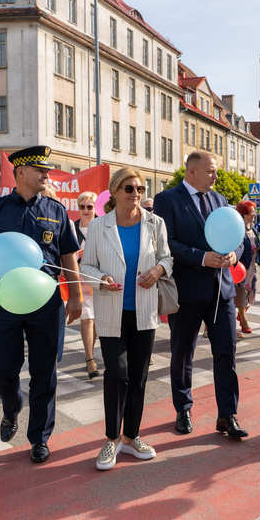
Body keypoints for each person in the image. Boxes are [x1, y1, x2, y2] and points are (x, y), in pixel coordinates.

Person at [0, 146, 82, 464]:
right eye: (40, 169)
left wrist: (77, 296)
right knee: (2, 368)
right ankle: (11, 408)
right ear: (20, 173)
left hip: (47, 300)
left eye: (47, 170)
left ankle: (40, 438)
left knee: (45, 372)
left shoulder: (56, 210)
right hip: (6, 299)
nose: (46, 174)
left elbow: (68, 255)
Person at [81, 167, 172, 470]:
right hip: (111, 310)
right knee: (117, 374)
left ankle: (131, 437)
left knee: (139, 376)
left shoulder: (154, 223)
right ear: (116, 191)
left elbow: (167, 257)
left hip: (144, 312)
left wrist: (159, 270)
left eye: (141, 190)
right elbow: (87, 266)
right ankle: (111, 438)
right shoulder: (98, 226)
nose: (136, 195)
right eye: (130, 189)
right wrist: (101, 278)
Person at [153, 151, 248, 438]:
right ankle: (183, 409)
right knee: (183, 353)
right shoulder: (167, 200)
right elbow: (166, 243)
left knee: (226, 353)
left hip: (222, 291)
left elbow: (238, 236)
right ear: (191, 172)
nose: (216, 176)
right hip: (187, 291)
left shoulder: (219, 200)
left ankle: (227, 415)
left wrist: (234, 254)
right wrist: (201, 257)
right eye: (211, 171)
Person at [75, 191, 100, 379]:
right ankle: (89, 358)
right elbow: (65, 253)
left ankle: (89, 352)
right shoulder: (71, 228)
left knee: (98, 322)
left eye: (89, 206)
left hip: (99, 279)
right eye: (82, 206)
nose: (85, 210)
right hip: (80, 279)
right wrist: (78, 255)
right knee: (87, 319)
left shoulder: (103, 225)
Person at [234, 200, 259, 339]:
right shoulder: (238, 228)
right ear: (244, 214)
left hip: (252, 268)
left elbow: (257, 245)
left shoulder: (252, 227)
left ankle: (241, 314)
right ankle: (243, 321)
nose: (254, 213)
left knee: (252, 296)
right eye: (252, 211)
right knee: (241, 296)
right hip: (242, 268)